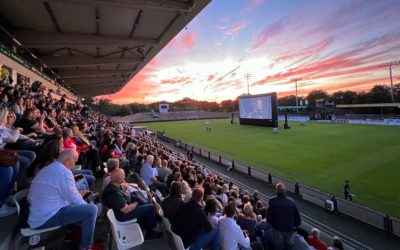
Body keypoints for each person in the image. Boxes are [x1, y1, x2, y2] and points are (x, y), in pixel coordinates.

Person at [28, 149, 98, 250]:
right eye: (74, 161)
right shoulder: (64, 172)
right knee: (92, 210)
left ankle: (71, 231)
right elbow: (75, 200)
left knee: (83, 205)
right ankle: (86, 247)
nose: (74, 165)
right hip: (45, 218)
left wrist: (78, 195)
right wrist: (85, 206)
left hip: (38, 213)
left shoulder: (51, 167)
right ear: (67, 161)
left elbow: (62, 193)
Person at [102, 168, 162, 240]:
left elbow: (125, 187)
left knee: (140, 200)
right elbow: (126, 209)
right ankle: (150, 233)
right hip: (122, 216)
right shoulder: (114, 194)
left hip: (120, 211)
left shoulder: (112, 185)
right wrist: (137, 202)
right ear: (118, 179)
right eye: (123, 176)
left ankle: (146, 223)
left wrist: (125, 185)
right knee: (151, 207)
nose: (124, 177)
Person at [267, 182, 301, 250]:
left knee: (278, 246)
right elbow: (297, 216)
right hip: (289, 228)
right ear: (285, 190)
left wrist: (270, 223)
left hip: (277, 228)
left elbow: (269, 214)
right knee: (288, 246)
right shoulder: (291, 201)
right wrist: (296, 226)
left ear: (276, 190)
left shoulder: (272, 201)